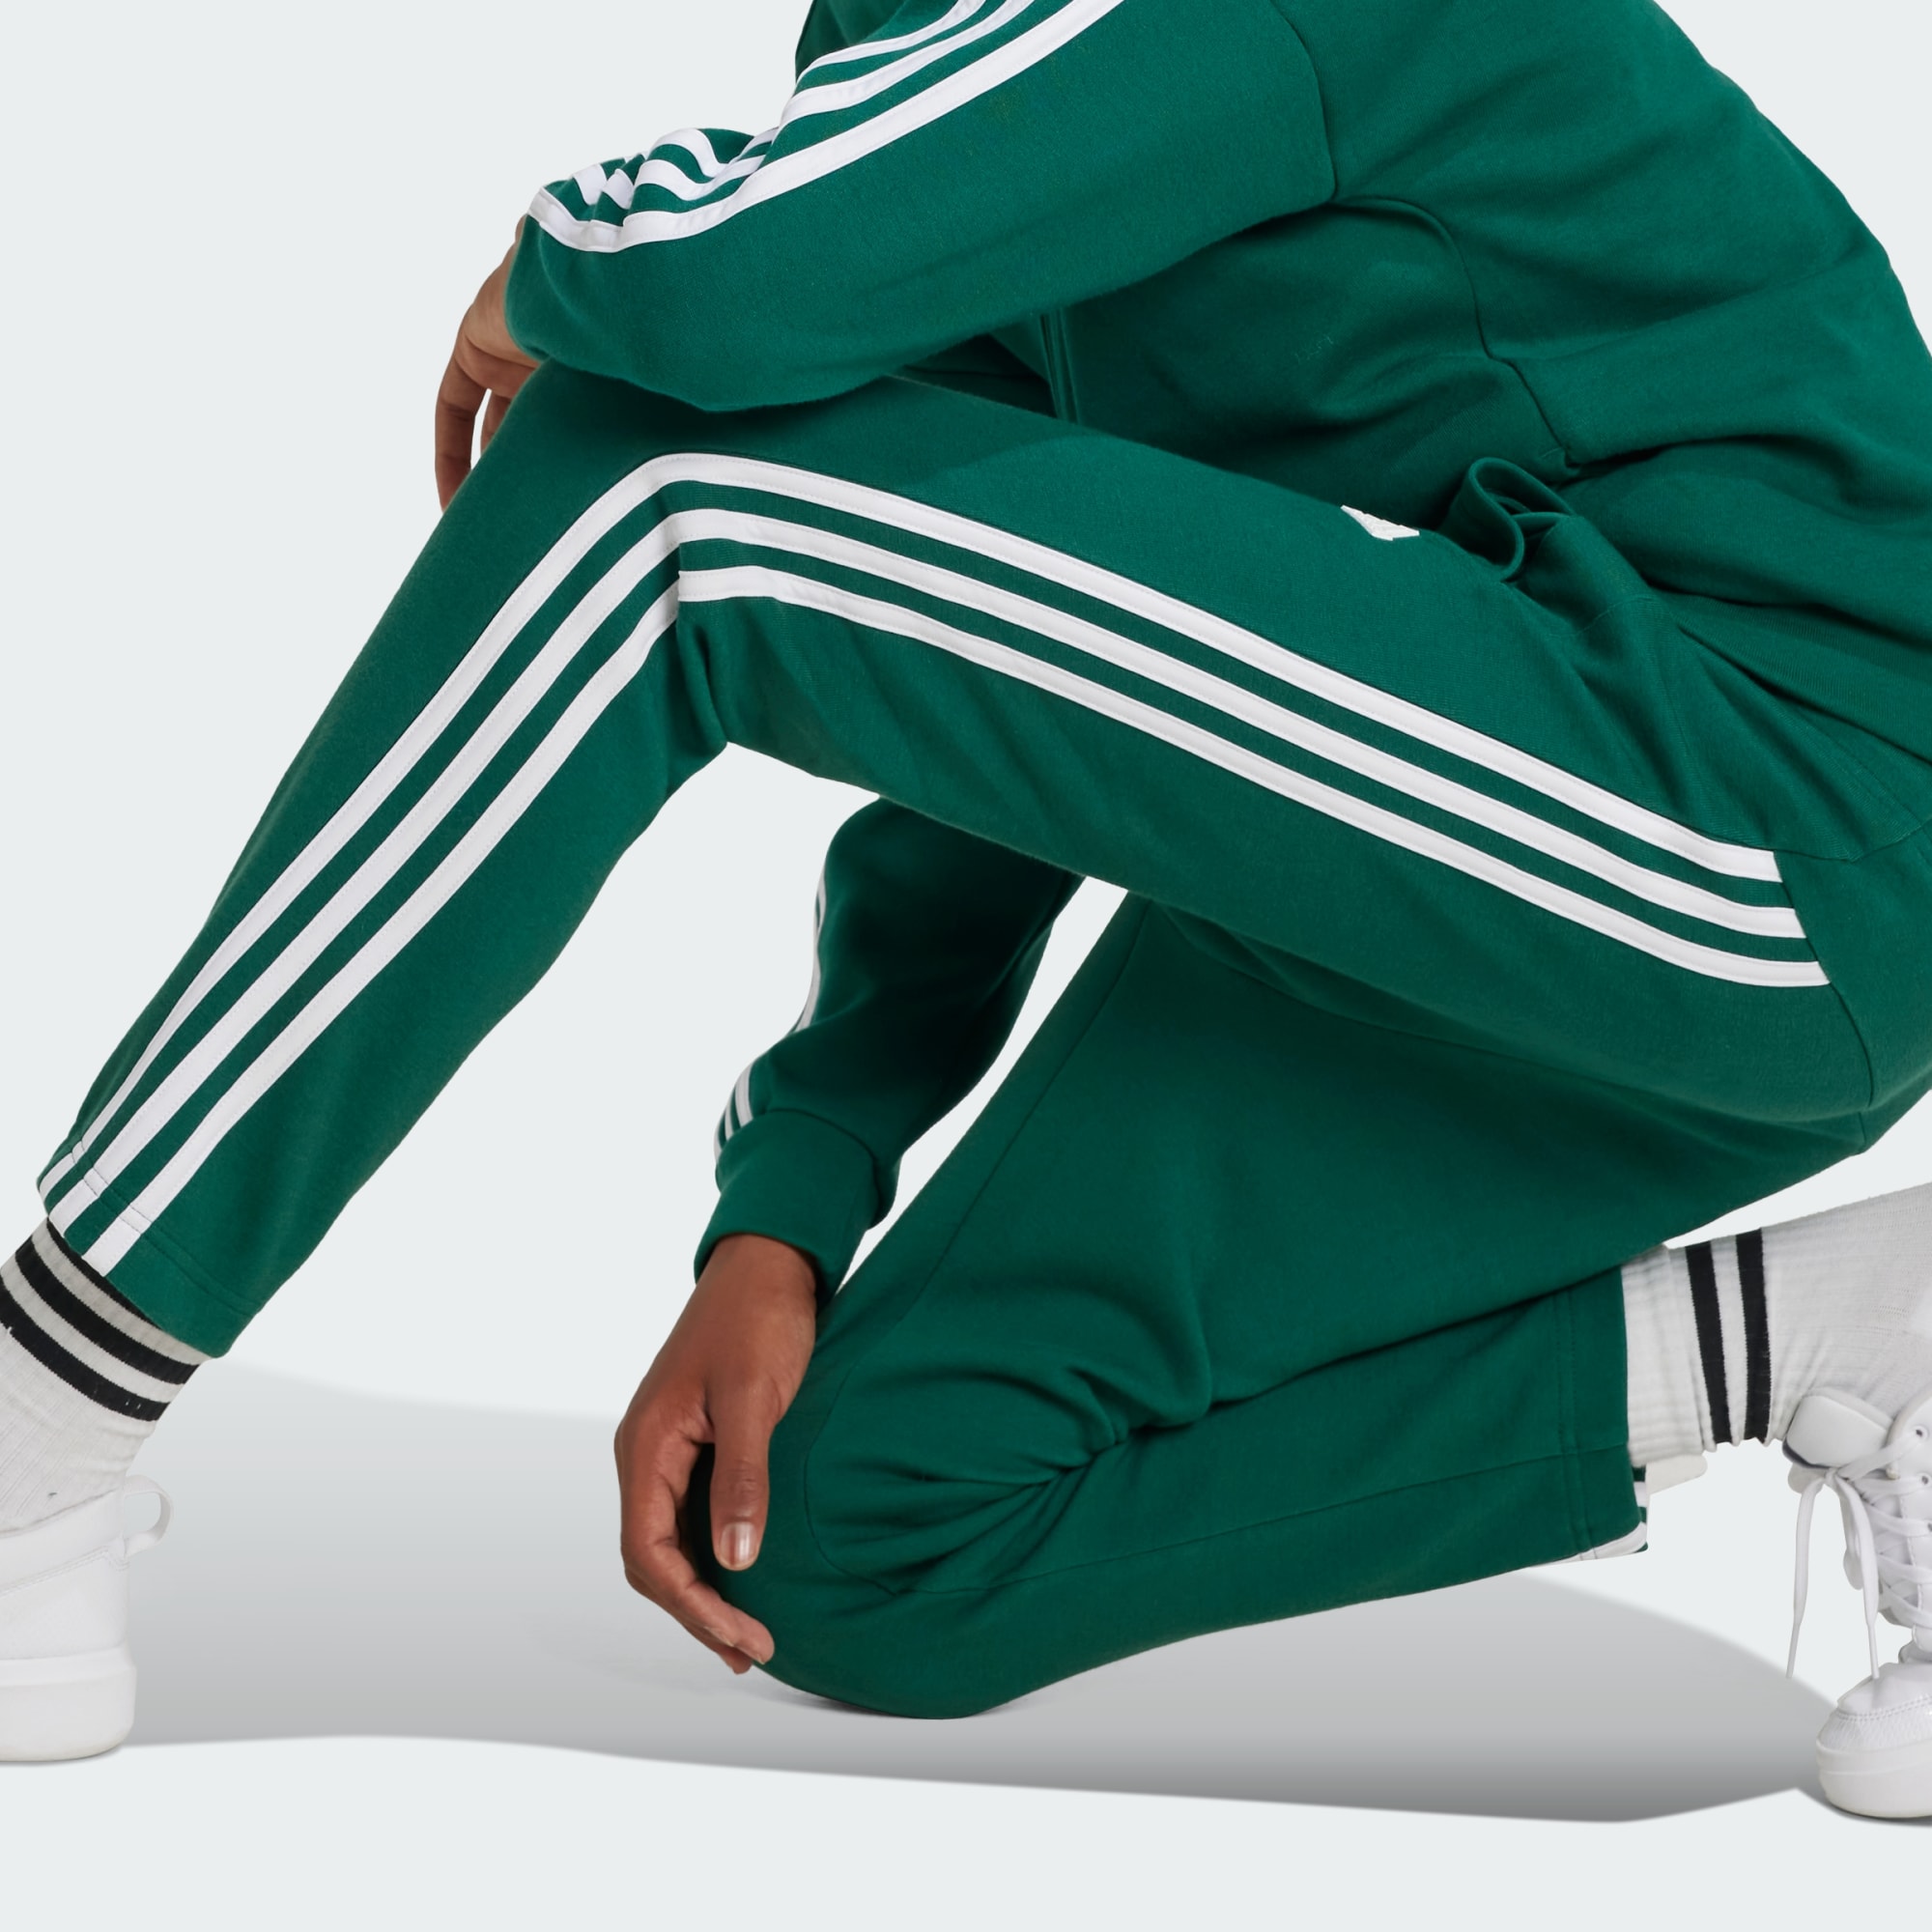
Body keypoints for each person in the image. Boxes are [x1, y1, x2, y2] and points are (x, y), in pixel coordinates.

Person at [2, 0, 1930, 1817]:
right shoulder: (925, 42)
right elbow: (1007, 676)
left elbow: (720, 291)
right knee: (859, 1541)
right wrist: (794, 1195)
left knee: (661, 481)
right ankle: (1832, 1338)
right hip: (1493, 883)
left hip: (1791, 826)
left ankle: (42, 1420)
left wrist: (554, 264)